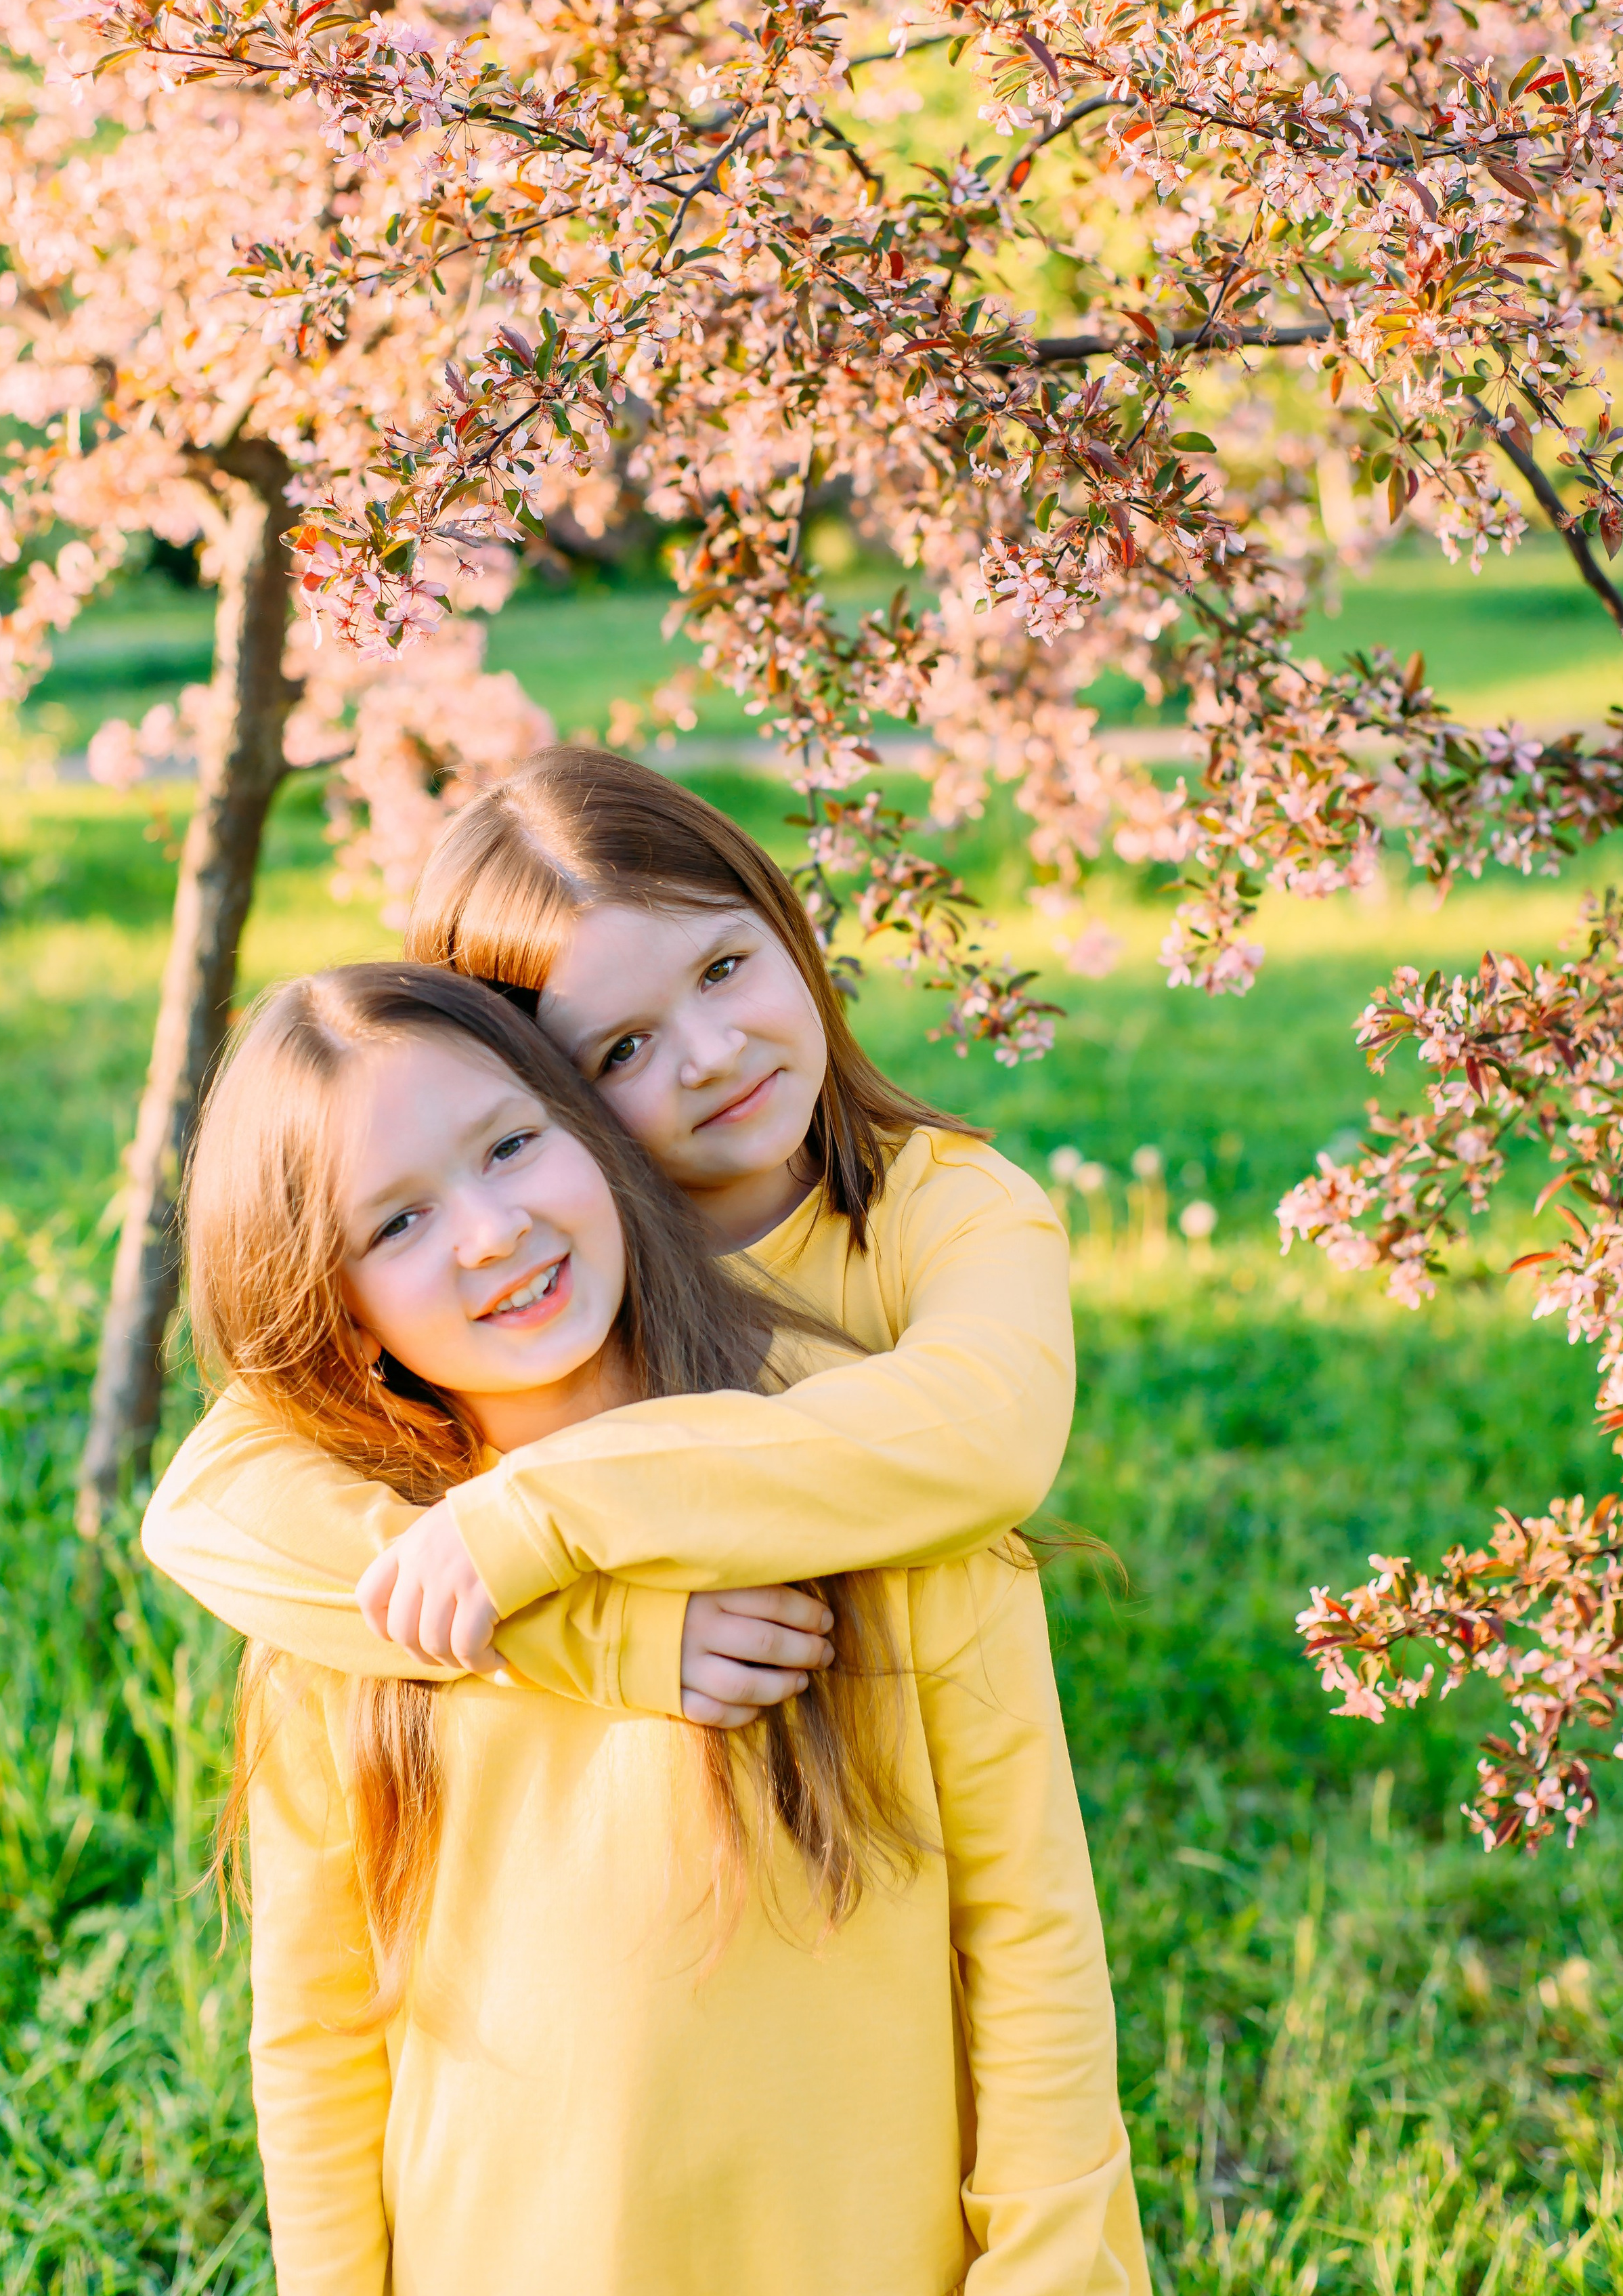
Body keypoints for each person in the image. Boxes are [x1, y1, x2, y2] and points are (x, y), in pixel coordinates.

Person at [183, 962, 1146, 2293]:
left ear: (597, 1135)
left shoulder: (844, 1470)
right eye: (395, 1223)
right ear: (329, 1305)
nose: (489, 1231)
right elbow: (319, 2031)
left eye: (513, 1144)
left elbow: (1029, 1938)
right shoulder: (360, 1582)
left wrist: (1050, 2269)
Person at [144, 750, 1080, 1735]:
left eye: (723, 969)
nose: (714, 1056)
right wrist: (590, 1628)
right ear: (530, 1078)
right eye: (624, 1048)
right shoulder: (534, 1275)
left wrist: (539, 1518)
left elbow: (988, 1431)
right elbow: (208, 1506)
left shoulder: (951, 1206)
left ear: (785, 924)